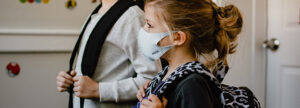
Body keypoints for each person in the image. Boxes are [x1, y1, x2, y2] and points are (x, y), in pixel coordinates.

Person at [135, 0, 243, 107]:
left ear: (177, 37)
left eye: (149, 25)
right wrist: (150, 92)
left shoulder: (193, 86)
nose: (144, 29)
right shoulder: (169, 72)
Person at [56, 0, 159, 108]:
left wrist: (99, 90)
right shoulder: (96, 14)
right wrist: (71, 81)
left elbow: (151, 78)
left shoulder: (132, 17)